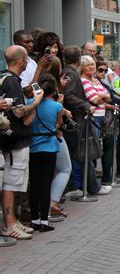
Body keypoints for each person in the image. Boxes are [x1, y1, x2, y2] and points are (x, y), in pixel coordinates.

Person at [0, 45, 42, 240]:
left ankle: (13, 220)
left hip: (15, 139)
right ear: (21, 61)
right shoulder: (10, 82)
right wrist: (35, 103)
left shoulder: (9, 79)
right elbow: (17, 111)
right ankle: (9, 224)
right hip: (13, 141)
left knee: (15, 181)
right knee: (11, 182)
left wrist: (30, 110)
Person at [62, 46, 111, 196]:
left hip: (75, 118)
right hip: (76, 119)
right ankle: (91, 187)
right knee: (83, 154)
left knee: (76, 155)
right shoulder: (71, 74)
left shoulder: (70, 73)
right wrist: (86, 105)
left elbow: (106, 96)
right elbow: (69, 95)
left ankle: (75, 187)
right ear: (78, 59)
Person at [28, 74, 68, 232]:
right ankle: (44, 220)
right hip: (49, 147)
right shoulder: (56, 106)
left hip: (33, 147)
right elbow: (58, 124)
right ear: (54, 90)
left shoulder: (30, 103)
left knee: (34, 185)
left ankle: (34, 219)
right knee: (45, 185)